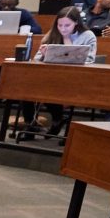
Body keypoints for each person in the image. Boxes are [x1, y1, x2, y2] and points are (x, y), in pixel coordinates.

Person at [23, 7, 96, 135]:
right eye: (60, 25)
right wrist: (44, 55)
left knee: (51, 86)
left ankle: (57, 118)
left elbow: (90, 59)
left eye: (67, 25)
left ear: (76, 23)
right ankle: (31, 123)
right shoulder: (52, 34)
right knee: (27, 86)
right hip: (51, 77)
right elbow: (36, 60)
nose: (63, 28)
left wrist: (68, 43)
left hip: (75, 78)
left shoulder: (88, 36)